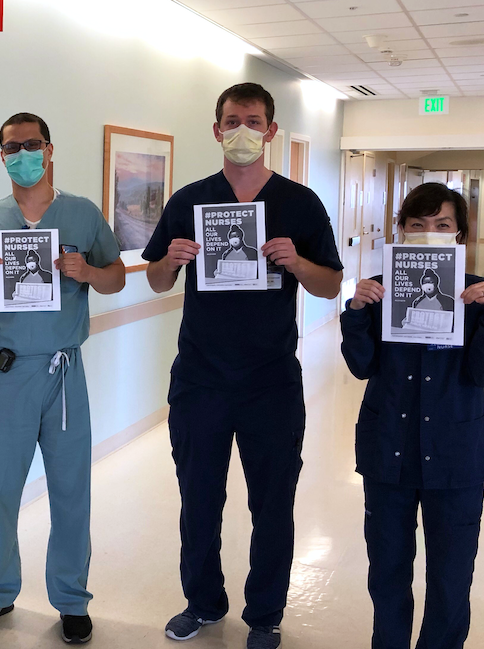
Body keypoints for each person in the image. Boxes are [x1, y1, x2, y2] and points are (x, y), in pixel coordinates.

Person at [142, 83, 343, 649]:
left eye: (253, 121)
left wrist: (296, 260)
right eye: (232, 120)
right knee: (199, 499)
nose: (242, 131)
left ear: (271, 131)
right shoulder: (189, 201)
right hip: (201, 379)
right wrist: (172, 260)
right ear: (216, 130)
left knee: (272, 501)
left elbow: (330, 286)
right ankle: (202, 603)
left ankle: (265, 614)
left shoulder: (300, 203)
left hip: (271, 380)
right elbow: (156, 278)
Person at [0, 113, 125, 645]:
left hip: (63, 372)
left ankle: (71, 599)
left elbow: (117, 275)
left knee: (72, 490)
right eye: (12, 147)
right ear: (1, 155)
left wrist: (88, 273)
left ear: (49, 150)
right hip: (5, 373)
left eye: (31, 145)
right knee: (0, 488)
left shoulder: (81, 214)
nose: (22, 154)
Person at [340, 183, 484, 649]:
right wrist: (356, 312)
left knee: (452, 576)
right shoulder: (378, 292)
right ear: (400, 230)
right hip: (388, 453)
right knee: (388, 570)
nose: (429, 233)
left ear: (460, 234)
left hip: (456, 456)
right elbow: (361, 367)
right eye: (417, 225)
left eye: (442, 225)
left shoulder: (483, 297)